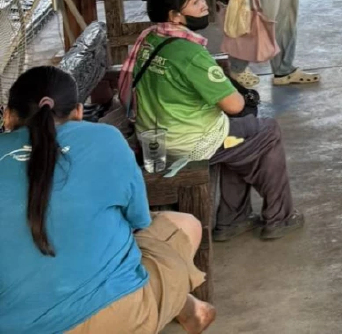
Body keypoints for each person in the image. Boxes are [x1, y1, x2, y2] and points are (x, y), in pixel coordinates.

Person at [1, 66, 215, 334]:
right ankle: (184, 304)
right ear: (78, 112)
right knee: (184, 225)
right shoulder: (106, 138)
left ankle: (186, 306)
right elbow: (138, 220)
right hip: (121, 318)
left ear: (8, 117)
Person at [120, 0, 303, 242]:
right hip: (187, 143)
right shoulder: (189, 52)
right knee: (266, 131)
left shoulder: (150, 38)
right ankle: (279, 217)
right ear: (175, 16)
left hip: (154, 136)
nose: (205, 4)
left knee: (239, 140)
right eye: (195, 2)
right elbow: (234, 104)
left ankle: (233, 220)